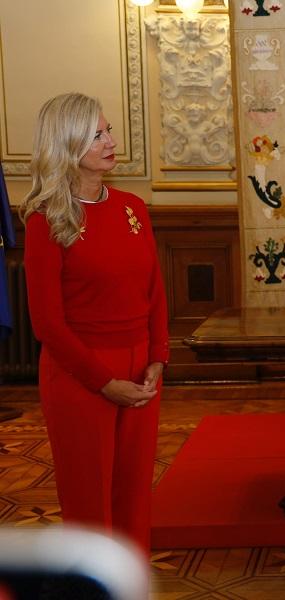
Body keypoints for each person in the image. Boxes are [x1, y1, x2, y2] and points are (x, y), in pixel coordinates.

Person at [19, 93, 169, 558]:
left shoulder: (132, 207)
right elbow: (47, 323)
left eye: (109, 131)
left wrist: (158, 359)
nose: (111, 141)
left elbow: (155, 291)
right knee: (89, 496)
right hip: (80, 374)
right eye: (97, 135)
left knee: (133, 493)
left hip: (141, 369)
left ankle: (130, 580)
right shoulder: (46, 220)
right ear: (67, 143)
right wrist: (105, 382)